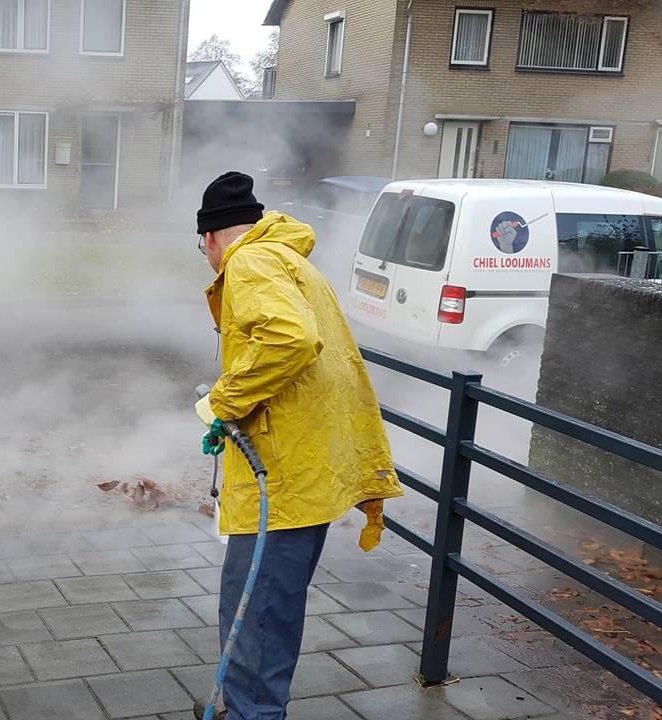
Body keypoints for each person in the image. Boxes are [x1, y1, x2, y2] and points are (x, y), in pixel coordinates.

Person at [194, 171, 403, 720]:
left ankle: (250, 714)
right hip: (304, 472)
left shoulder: (250, 262)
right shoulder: (291, 260)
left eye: (203, 246)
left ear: (213, 238)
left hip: (280, 482)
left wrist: (225, 402)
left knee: (256, 622)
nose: (207, 257)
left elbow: (291, 339)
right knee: (270, 615)